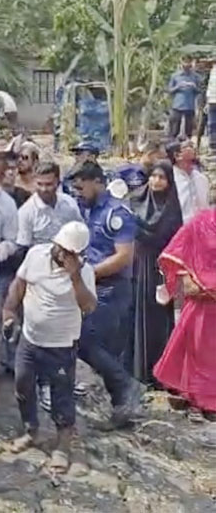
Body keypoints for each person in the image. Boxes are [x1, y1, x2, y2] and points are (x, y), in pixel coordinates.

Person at [2, 222, 97, 473]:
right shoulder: (36, 255)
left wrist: (74, 276)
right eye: (61, 248)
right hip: (30, 338)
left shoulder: (85, 273)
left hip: (61, 345)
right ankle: (31, 430)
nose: (62, 254)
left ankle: (63, 445)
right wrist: (9, 311)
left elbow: (88, 307)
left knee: (61, 395)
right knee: (22, 384)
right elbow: (19, 284)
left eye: (70, 252)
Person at [72, 161, 142, 427]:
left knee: (87, 342)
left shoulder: (117, 212)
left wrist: (88, 273)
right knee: (97, 347)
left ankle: (126, 389)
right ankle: (122, 405)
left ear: (98, 182)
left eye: (81, 186)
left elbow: (124, 256)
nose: (77, 192)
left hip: (112, 288)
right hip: (93, 285)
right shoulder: (86, 210)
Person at [154, 207, 216, 418]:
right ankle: (197, 401)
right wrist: (186, 278)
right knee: (198, 350)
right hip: (200, 300)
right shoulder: (201, 221)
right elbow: (176, 252)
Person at [129, 161, 183, 383]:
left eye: (162, 178)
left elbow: (169, 239)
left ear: (169, 182)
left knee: (158, 318)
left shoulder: (172, 209)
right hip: (136, 264)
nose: (156, 181)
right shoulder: (135, 200)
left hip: (160, 269)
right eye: (153, 176)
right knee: (134, 313)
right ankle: (135, 369)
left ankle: (159, 371)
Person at [17, 162, 82, 249]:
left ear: (58, 183)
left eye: (48, 184)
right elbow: (23, 247)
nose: (44, 189)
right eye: (39, 184)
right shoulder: (26, 212)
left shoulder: (69, 203)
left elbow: (80, 233)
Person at [172, 141, 210, 223]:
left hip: (201, 226)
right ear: (177, 155)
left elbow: (205, 206)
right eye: (185, 147)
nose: (190, 149)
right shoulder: (171, 179)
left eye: (191, 146)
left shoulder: (202, 179)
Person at [167, 56, 201, 138]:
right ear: (181, 63)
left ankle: (187, 148)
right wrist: (178, 87)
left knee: (189, 131)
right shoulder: (175, 76)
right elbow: (169, 90)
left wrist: (194, 87)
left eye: (188, 62)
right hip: (177, 106)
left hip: (190, 106)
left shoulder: (196, 77)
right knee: (174, 131)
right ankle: (172, 146)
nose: (186, 65)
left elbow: (200, 91)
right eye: (185, 62)